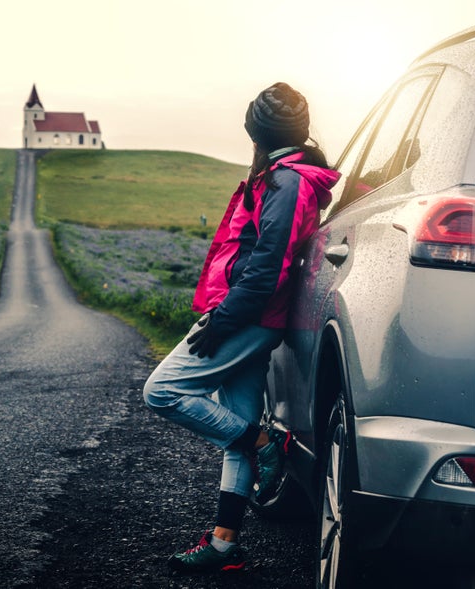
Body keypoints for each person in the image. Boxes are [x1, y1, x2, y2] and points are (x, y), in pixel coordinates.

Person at [143, 82, 340, 574]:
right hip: (244, 314)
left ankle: (266, 443)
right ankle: (224, 545)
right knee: (235, 431)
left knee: (162, 391)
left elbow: (267, 269)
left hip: (247, 318)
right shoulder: (276, 176)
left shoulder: (286, 182)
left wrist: (221, 321)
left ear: (256, 131)